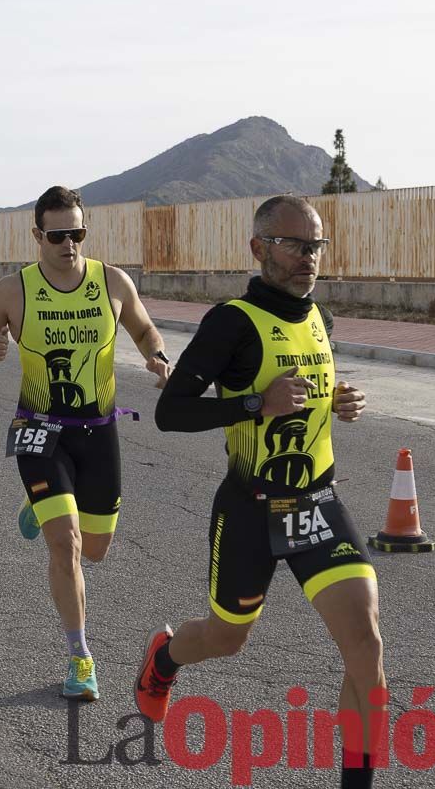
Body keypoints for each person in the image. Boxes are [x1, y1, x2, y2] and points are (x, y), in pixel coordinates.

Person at [138, 195, 384, 787]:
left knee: (365, 646)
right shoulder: (231, 323)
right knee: (225, 639)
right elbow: (171, 412)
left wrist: (336, 401)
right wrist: (256, 403)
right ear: (259, 248)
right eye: (295, 245)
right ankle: (165, 657)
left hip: (316, 506)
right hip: (250, 510)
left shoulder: (320, 319)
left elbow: (309, 400)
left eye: (316, 246)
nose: (309, 258)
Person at [0, 185, 171, 701]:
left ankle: (42, 507)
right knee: (67, 544)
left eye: (76, 233)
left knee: (95, 551)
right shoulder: (13, 291)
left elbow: (145, 330)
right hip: (40, 431)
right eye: (57, 235)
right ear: (37, 235)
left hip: (98, 433)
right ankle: (81, 657)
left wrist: (158, 356)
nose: (69, 244)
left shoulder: (113, 282)